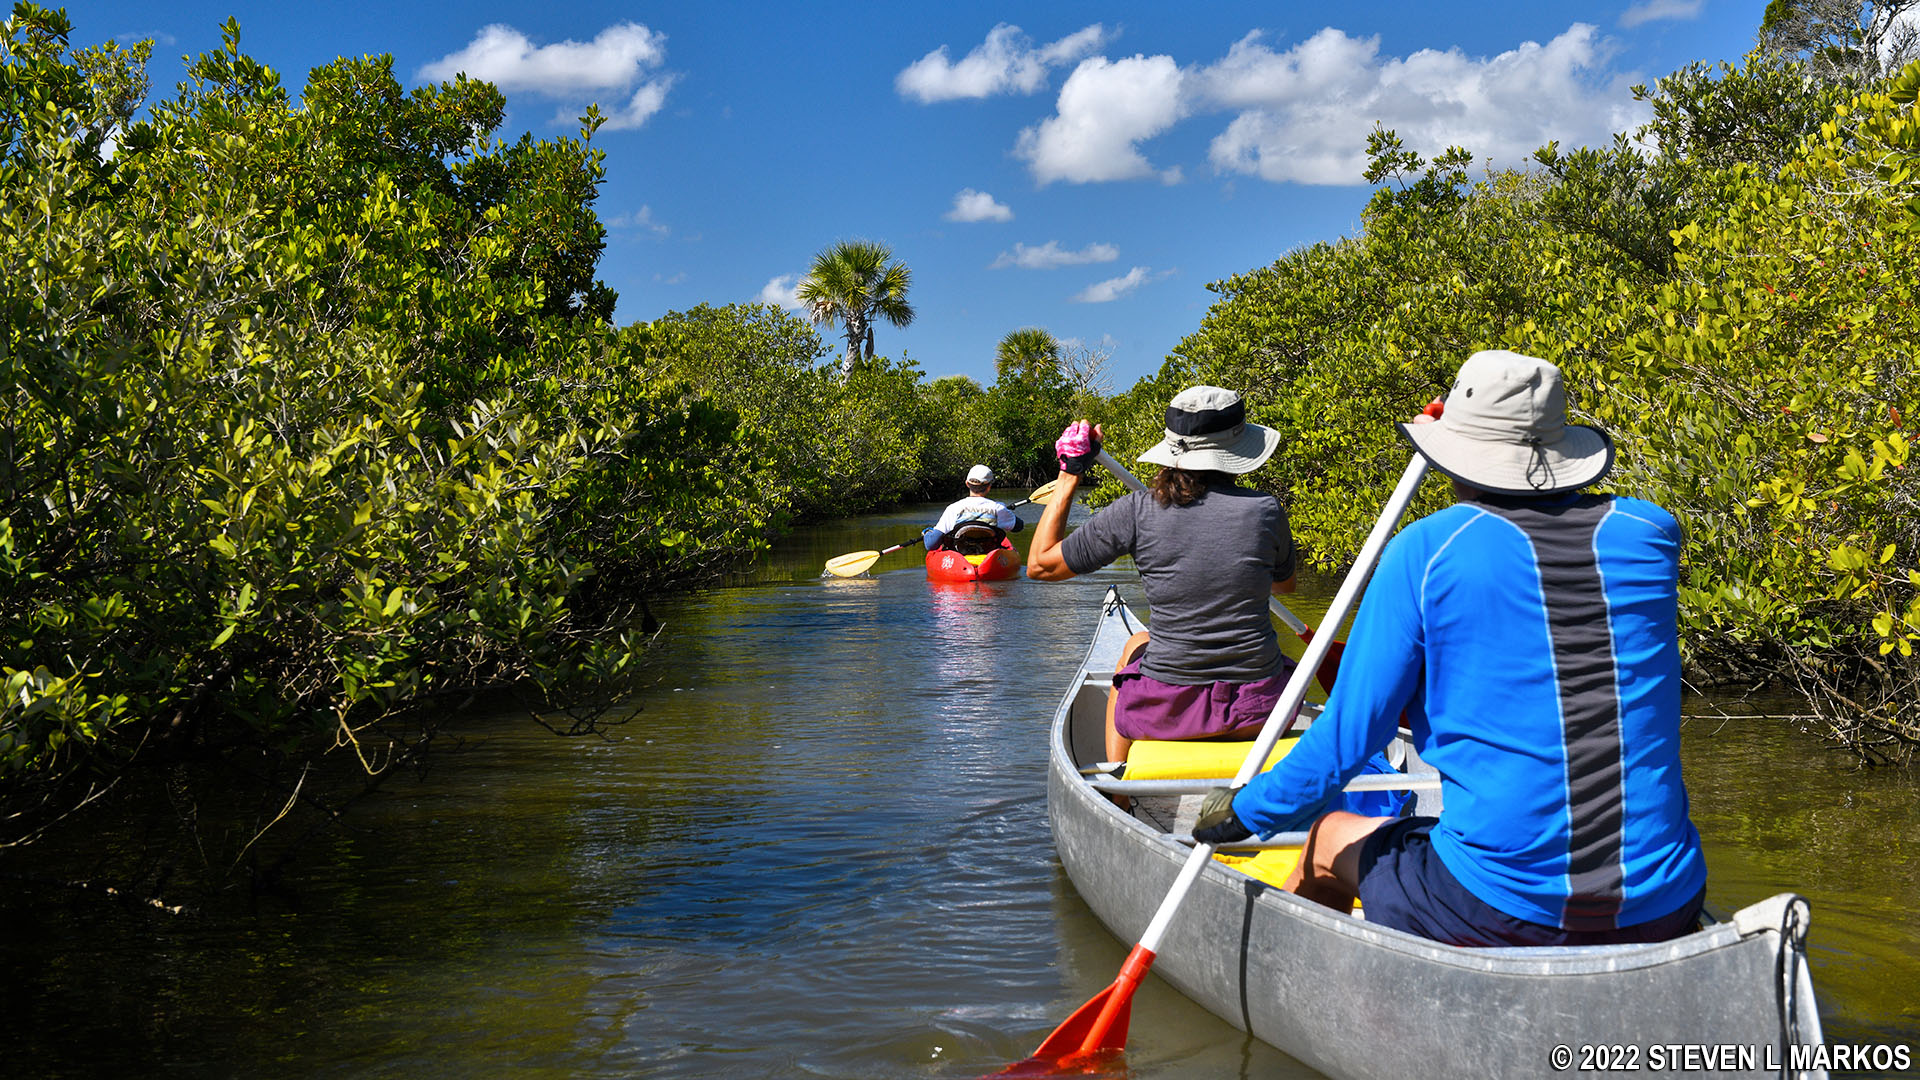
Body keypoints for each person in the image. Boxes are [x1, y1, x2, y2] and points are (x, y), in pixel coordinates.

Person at [1193, 349, 1708, 948]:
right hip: (1667, 899)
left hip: (1502, 907)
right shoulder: (1653, 534)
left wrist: (1244, 812)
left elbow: (1347, 741)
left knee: (1327, 836)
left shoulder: (1425, 551)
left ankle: (1301, 987)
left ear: (1453, 453)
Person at [1027, 386, 1298, 767]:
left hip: (1166, 713)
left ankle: (1119, 790)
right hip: (1262, 711)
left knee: (1134, 647)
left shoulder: (1136, 511)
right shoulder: (1266, 510)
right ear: (1236, 449)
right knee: (1278, 661)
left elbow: (1040, 565)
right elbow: (1284, 585)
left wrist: (1070, 474)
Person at [922, 464, 1025, 555]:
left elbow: (931, 544)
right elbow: (1019, 526)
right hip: (988, 552)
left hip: (961, 552)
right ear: (989, 486)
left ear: (967, 484)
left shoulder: (953, 508)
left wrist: (927, 533)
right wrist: (1006, 513)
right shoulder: (998, 508)